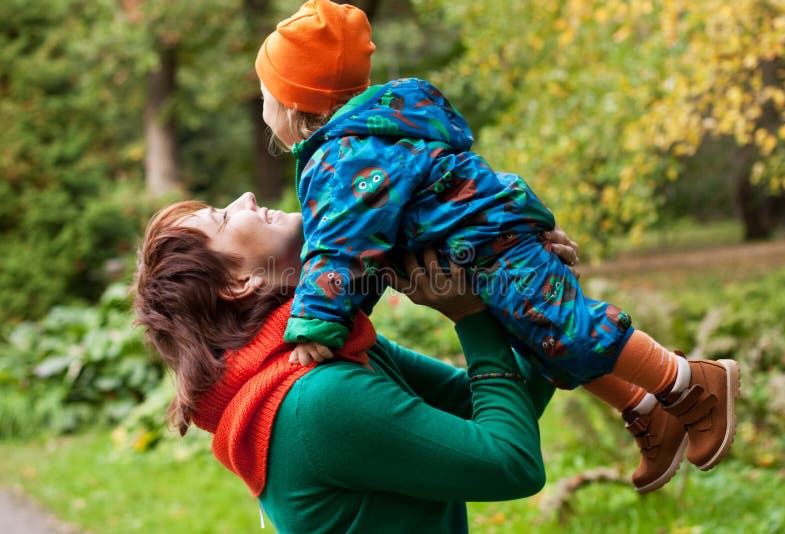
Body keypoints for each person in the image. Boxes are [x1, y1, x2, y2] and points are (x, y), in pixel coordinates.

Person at [252, 0, 740, 495]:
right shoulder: (366, 140)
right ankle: (646, 407)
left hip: (490, 244)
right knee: (543, 343)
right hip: (480, 244)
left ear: (294, 104)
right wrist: (350, 314)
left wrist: (318, 319)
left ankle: (692, 383)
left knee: (565, 329)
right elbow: (371, 250)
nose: (263, 108)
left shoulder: (343, 157)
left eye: (265, 96)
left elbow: (340, 245)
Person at [132, 192, 581, 532]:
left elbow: (478, 404)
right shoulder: (316, 400)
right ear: (238, 284)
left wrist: (541, 295)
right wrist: (469, 315)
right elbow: (512, 464)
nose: (246, 198)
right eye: (225, 218)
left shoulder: (325, 351)